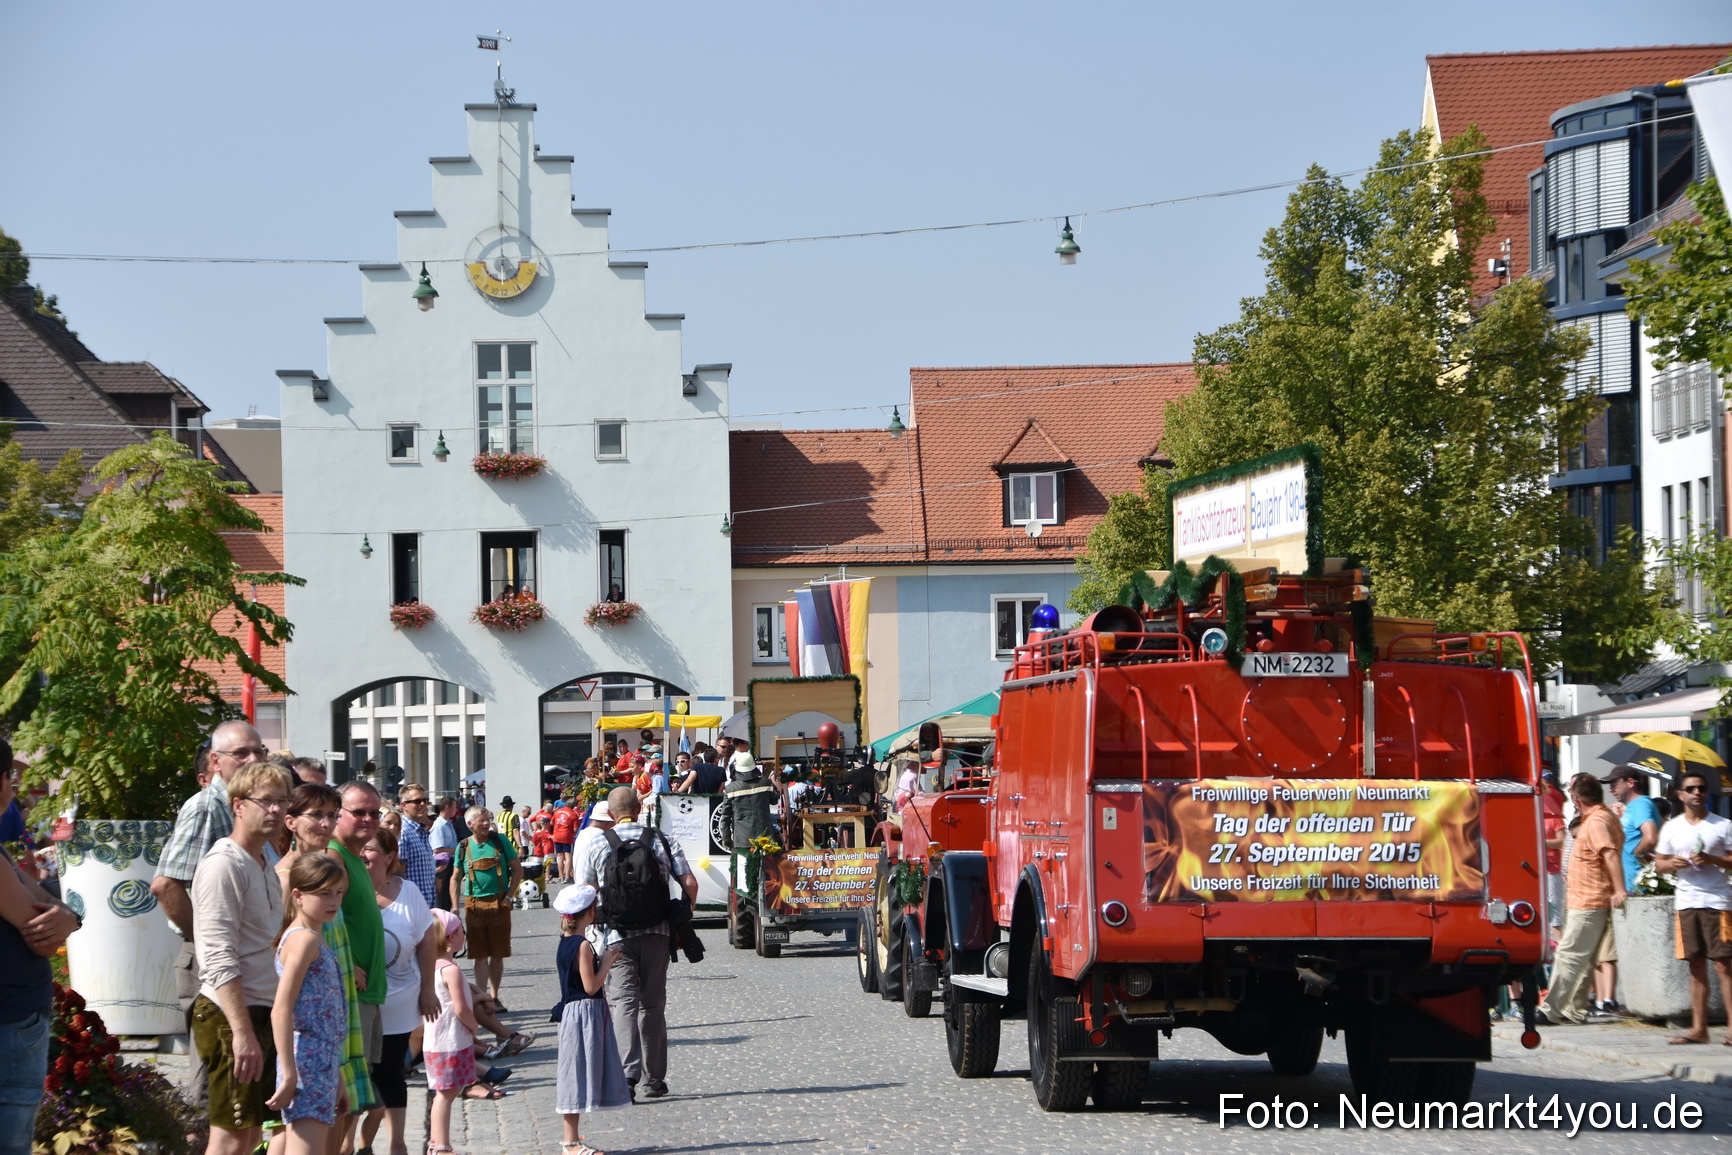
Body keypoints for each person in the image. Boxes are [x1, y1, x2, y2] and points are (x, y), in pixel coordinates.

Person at [151, 721, 269, 1112]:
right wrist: (205, 941)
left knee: (238, 1086)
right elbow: (166, 885)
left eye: (259, 751)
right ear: (216, 762)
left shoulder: (247, 806)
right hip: (209, 959)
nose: (253, 759)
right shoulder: (208, 806)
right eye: (242, 754)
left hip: (237, 959)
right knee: (214, 1088)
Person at [191, 760, 292, 1155]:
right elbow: (217, 956)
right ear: (238, 805)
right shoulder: (223, 864)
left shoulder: (262, 859)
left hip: (260, 1009)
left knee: (250, 1132)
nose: (276, 810)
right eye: (265, 801)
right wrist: (242, 1034)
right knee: (231, 1135)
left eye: (282, 801)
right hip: (230, 1014)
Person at [579, 787, 698, 1101]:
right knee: (653, 1006)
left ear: (612, 813)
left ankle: (625, 1078)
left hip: (617, 936)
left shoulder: (597, 844)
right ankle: (653, 1080)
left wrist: (592, 931)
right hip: (657, 933)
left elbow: (586, 894)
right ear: (638, 808)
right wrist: (683, 916)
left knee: (623, 1004)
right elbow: (689, 882)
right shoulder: (661, 839)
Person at [0, 758, 80, 1154]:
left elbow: (51, 914)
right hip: (10, 1016)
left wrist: (68, 917)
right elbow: (42, 934)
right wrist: (63, 919)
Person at [359, 828, 439, 1155]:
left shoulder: (408, 892)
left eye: (369, 849)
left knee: (391, 1073)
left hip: (401, 999)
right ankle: (358, 1145)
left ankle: (396, 1144)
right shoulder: (347, 888)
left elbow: (427, 941)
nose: (361, 854)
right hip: (360, 1002)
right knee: (361, 1077)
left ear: (389, 856)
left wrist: (429, 990)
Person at [265, 854, 349, 1155]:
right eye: (324, 893)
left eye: (338, 892)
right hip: (308, 1060)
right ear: (298, 896)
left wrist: (337, 1077)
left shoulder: (314, 936)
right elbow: (281, 1008)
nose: (334, 901)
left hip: (321, 1058)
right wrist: (289, 1074)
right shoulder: (304, 940)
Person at [1539, 773, 1626, 1026]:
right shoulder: (1599, 817)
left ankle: (1551, 1009)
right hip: (1586, 897)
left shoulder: (1597, 821)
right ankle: (1573, 1009)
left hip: (1589, 899)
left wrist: (1619, 889)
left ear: (1576, 800)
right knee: (1584, 959)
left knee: (1568, 954)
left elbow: (1609, 854)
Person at [1654, 769, 1732, 1045]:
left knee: (1724, 965)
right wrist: (1672, 864)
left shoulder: (1722, 825)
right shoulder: (1672, 827)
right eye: (1691, 788)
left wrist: (1712, 858)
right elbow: (1660, 864)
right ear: (1680, 794)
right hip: (1687, 903)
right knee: (1695, 966)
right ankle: (1699, 1030)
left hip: (1719, 901)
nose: (1697, 792)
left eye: (1701, 788)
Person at [551, 883, 630, 1151]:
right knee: (574, 1073)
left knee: (576, 1071)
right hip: (582, 1014)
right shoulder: (582, 945)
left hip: (577, 1013)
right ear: (591, 912)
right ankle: (570, 1142)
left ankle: (571, 1140)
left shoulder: (565, 942)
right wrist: (607, 962)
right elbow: (590, 986)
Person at [331, 781, 388, 1147]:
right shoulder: (333, 857)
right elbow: (317, 921)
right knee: (344, 1100)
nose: (368, 819)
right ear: (338, 814)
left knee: (356, 1097)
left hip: (367, 993)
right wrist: (345, 965)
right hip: (350, 992)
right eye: (359, 812)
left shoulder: (353, 856)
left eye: (374, 812)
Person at [453, 806, 521, 1005]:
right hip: (474, 904)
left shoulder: (500, 841)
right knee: (479, 955)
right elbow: (455, 877)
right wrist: (455, 907)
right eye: (481, 820)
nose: (486, 824)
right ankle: (483, 998)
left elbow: (517, 870)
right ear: (469, 824)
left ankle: (494, 995)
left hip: (500, 902)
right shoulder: (463, 846)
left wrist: (509, 897)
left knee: (498, 954)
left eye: (488, 819)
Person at [424, 910, 480, 1155]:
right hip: (451, 1040)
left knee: (444, 1092)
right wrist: (474, 1025)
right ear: (450, 938)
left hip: (435, 1039)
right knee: (446, 1094)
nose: (464, 935)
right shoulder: (451, 970)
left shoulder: (431, 967)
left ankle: (436, 1142)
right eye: (460, 931)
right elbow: (460, 1007)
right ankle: (441, 1145)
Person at [717, 758, 778, 852]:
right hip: (765, 837)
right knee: (767, 865)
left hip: (742, 840)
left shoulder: (731, 789)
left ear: (736, 771)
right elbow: (774, 801)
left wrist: (727, 839)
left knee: (742, 866)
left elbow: (725, 816)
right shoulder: (766, 783)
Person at [395, 786, 439, 908]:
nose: (423, 804)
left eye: (425, 800)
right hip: (411, 907)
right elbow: (397, 874)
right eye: (417, 801)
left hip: (426, 906)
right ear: (404, 805)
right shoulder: (403, 833)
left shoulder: (420, 831)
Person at [552, 801, 579, 886]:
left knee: (559, 857)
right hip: (567, 836)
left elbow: (551, 823)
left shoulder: (557, 812)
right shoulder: (572, 814)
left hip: (557, 836)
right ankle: (567, 876)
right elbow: (575, 829)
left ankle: (561, 876)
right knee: (568, 857)